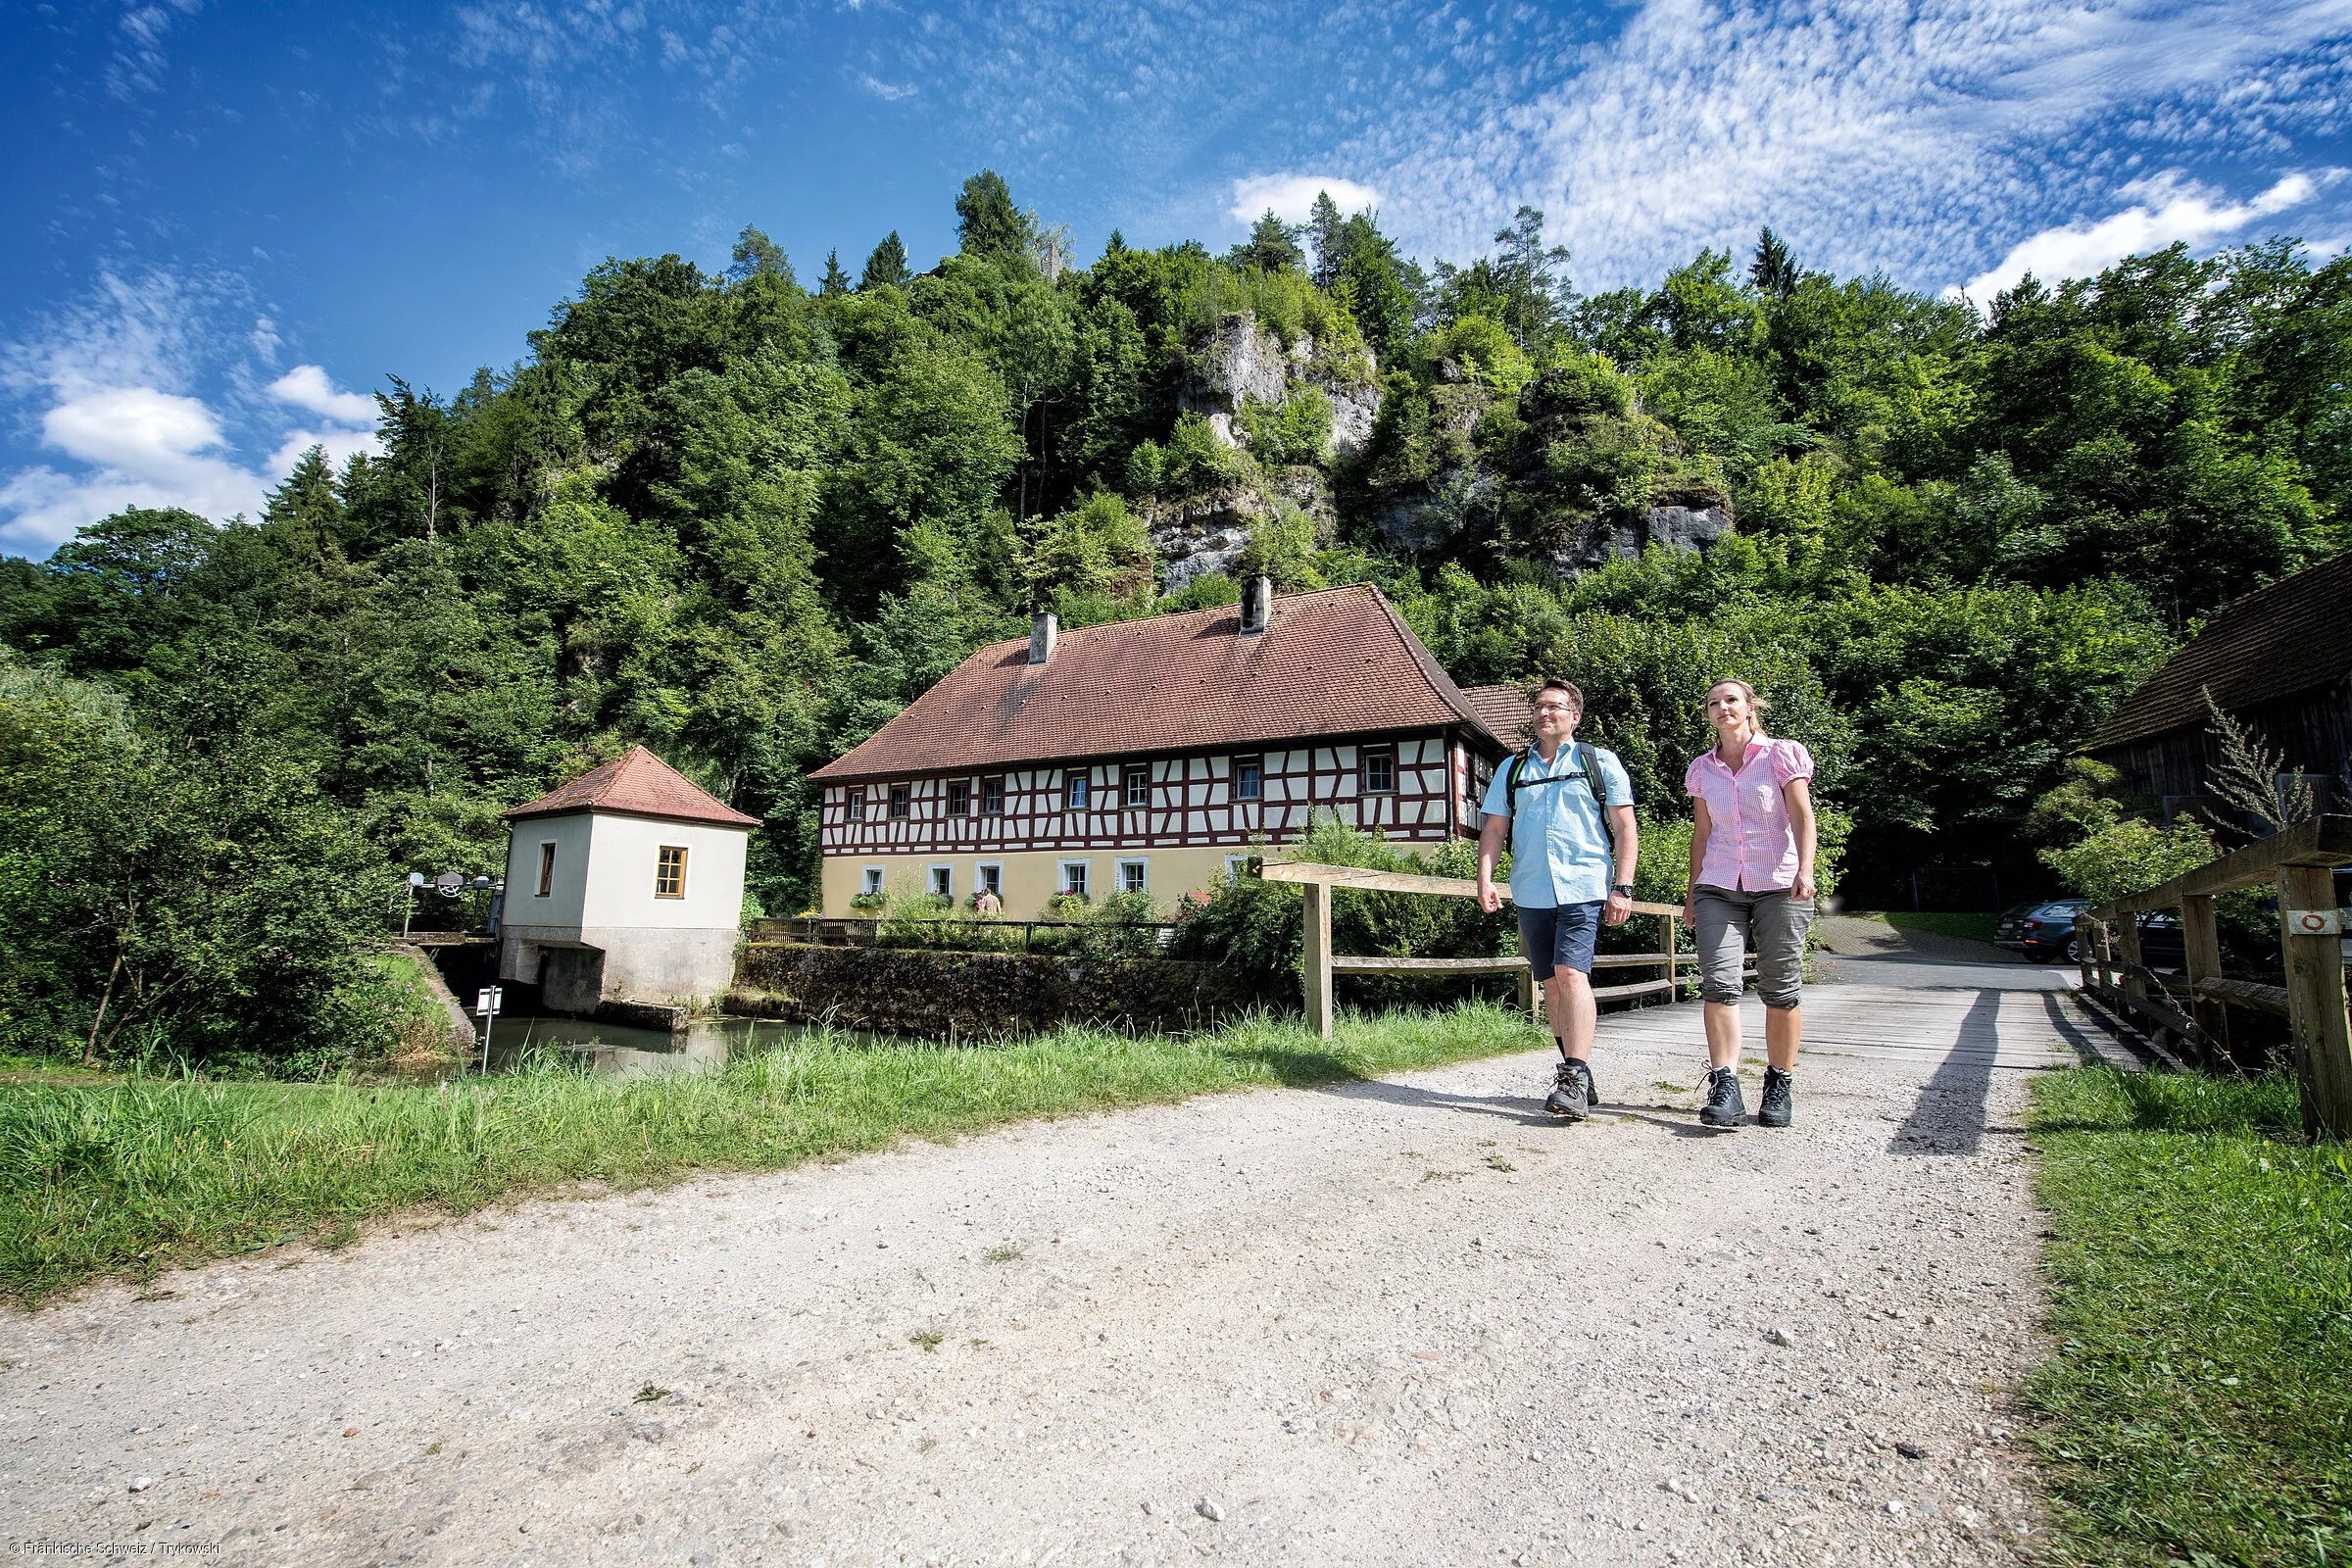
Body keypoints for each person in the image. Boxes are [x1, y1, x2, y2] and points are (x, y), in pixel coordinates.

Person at [1476, 678, 1639, 1120]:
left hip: (1584, 885)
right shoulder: (1512, 769)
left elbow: (1625, 828)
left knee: (1571, 973)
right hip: (1530, 887)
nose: (1545, 713)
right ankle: (1578, 1073)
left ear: (1575, 716)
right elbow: (1493, 830)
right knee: (1549, 982)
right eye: (1540, 707)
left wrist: (1622, 886)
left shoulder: (1598, 762)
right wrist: (1485, 879)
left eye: (1556, 707)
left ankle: (1572, 1075)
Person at [1682, 678, 1817, 1129]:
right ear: (1708, 714)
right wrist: (1691, 895)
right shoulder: (1703, 769)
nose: (1723, 708)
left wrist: (1806, 870)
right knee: (1719, 985)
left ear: (1749, 707)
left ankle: (1779, 1083)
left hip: (1780, 883)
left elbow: (1801, 816)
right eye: (1714, 703)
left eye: (1731, 700)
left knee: (1780, 988)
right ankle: (1725, 1085)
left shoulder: (1782, 754)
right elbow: (1702, 834)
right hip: (1718, 884)